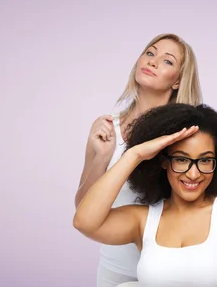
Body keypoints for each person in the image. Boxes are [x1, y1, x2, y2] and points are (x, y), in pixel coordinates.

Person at [74, 103, 217, 287]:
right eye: (181, 159)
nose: (193, 174)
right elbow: (84, 222)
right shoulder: (144, 219)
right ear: (163, 161)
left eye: (205, 160)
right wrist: (135, 155)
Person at [74, 33, 203, 286]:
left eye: (167, 61)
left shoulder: (184, 133)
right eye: (150, 53)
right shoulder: (107, 127)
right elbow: (82, 206)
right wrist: (102, 157)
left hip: (167, 270)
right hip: (113, 267)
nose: (153, 61)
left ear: (177, 81)